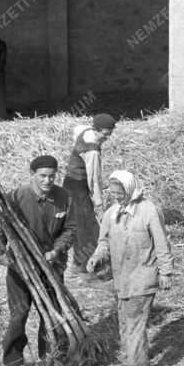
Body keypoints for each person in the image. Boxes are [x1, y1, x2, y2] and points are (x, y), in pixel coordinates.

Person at [0, 155, 76, 366]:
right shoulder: (16, 198)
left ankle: (50, 359)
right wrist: (0, 254)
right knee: (19, 315)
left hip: (51, 267)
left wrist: (56, 250)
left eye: (51, 176)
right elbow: (0, 232)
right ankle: (14, 363)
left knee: (52, 314)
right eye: (42, 176)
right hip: (21, 269)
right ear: (32, 175)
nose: (47, 181)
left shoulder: (63, 197)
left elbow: (70, 229)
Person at [87, 170, 174, 366]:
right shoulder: (111, 213)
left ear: (130, 188)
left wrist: (166, 271)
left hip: (144, 274)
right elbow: (104, 241)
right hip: (121, 278)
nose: (117, 196)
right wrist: (97, 257)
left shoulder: (148, 210)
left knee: (135, 319)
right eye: (113, 193)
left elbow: (162, 243)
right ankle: (134, 356)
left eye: (120, 192)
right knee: (124, 318)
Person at [63, 113, 116, 281]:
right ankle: (85, 271)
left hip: (68, 182)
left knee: (79, 225)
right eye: (104, 134)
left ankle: (77, 266)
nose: (106, 138)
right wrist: (99, 205)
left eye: (109, 134)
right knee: (88, 229)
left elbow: (76, 128)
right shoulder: (93, 152)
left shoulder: (83, 131)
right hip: (79, 187)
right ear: (96, 129)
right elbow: (94, 181)